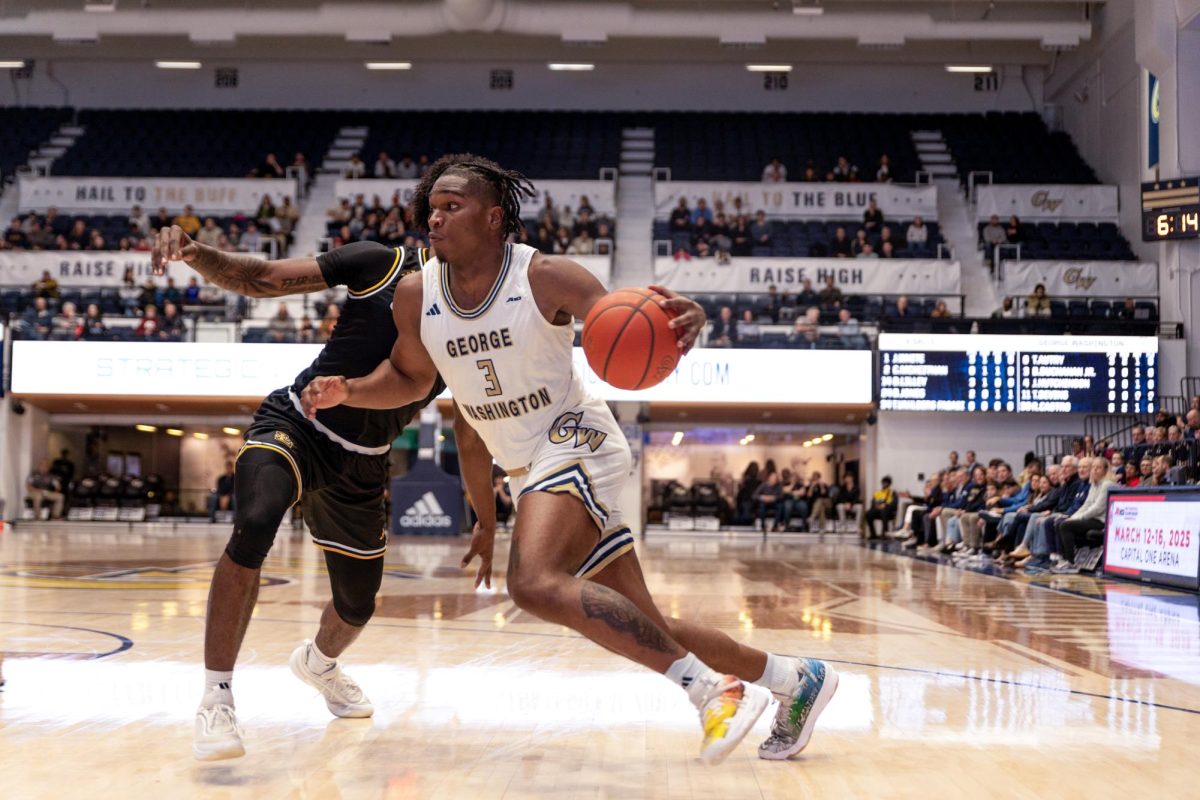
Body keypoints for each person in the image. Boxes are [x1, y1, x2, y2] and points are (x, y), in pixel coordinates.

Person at [301, 154, 837, 765]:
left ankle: (711, 692)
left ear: (494, 217)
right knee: (645, 624)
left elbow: (634, 322)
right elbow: (414, 383)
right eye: (432, 208)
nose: (436, 217)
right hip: (531, 472)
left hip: (577, 436)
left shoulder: (546, 277)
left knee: (531, 584)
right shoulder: (417, 295)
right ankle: (798, 679)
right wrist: (351, 391)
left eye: (453, 206)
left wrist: (694, 316)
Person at [152, 215, 444, 762]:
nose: (439, 220)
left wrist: (486, 511)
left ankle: (319, 664)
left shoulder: (478, 322)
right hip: (298, 422)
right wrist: (197, 253)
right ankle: (217, 696)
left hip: (363, 460)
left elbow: (473, 426)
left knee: (356, 607)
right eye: (437, 209)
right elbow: (262, 276)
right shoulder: (384, 265)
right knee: (257, 520)